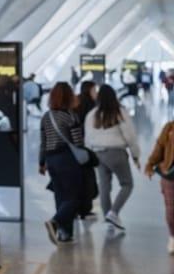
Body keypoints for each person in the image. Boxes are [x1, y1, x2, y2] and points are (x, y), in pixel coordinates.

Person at [84, 84, 141, 231]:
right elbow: (130, 135)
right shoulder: (119, 112)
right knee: (127, 184)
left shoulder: (92, 114)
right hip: (116, 153)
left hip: (98, 154)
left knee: (104, 187)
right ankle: (114, 213)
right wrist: (135, 156)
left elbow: (88, 138)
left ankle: (108, 218)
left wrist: (91, 156)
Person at [40, 82, 84, 245]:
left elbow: (43, 142)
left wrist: (41, 162)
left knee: (60, 196)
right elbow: (78, 143)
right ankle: (55, 222)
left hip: (51, 160)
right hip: (67, 159)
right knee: (74, 197)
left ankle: (64, 234)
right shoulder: (70, 116)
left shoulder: (46, 116)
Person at [144, 120, 174, 254]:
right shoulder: (169, 127)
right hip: (170, 176)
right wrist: (150, 164)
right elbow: (160, 146)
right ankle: (173, 237)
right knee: (171, 210)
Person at [74, 80, 99, 218]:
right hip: (87, 144)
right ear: (89, 90)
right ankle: (85, 207)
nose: (96, 93)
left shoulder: (76, 101)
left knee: (81, 176)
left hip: (76, 144)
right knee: (87, 176)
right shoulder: (91, 105)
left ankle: (80, 207)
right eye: (94, 90)